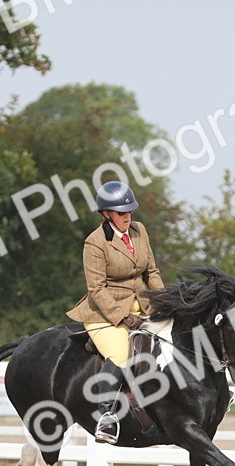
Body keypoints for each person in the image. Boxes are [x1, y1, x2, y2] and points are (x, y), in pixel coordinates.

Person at [67, 181, 165, 444]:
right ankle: (106, 417)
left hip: (142, 305)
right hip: (103, 313)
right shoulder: (95, 242)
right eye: (121, 213)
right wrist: (123, 317)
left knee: (174, 336)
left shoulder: (139, 231)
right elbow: (96, 289)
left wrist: (163, 302)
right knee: (122, 354)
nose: (127, 217)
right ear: (106, 214)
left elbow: (151, 272)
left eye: (130, 211)